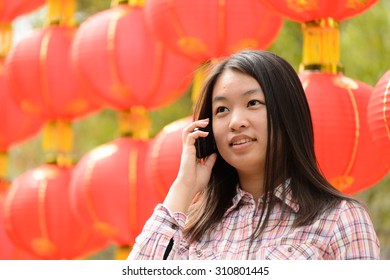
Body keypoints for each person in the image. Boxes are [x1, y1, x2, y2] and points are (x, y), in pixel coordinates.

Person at [128, 50, 380, 260]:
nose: (236, 122)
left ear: (287, 114)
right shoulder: (191, 230)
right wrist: (184, 187)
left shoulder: (340, 220)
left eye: (253, 103)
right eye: (222, 109)